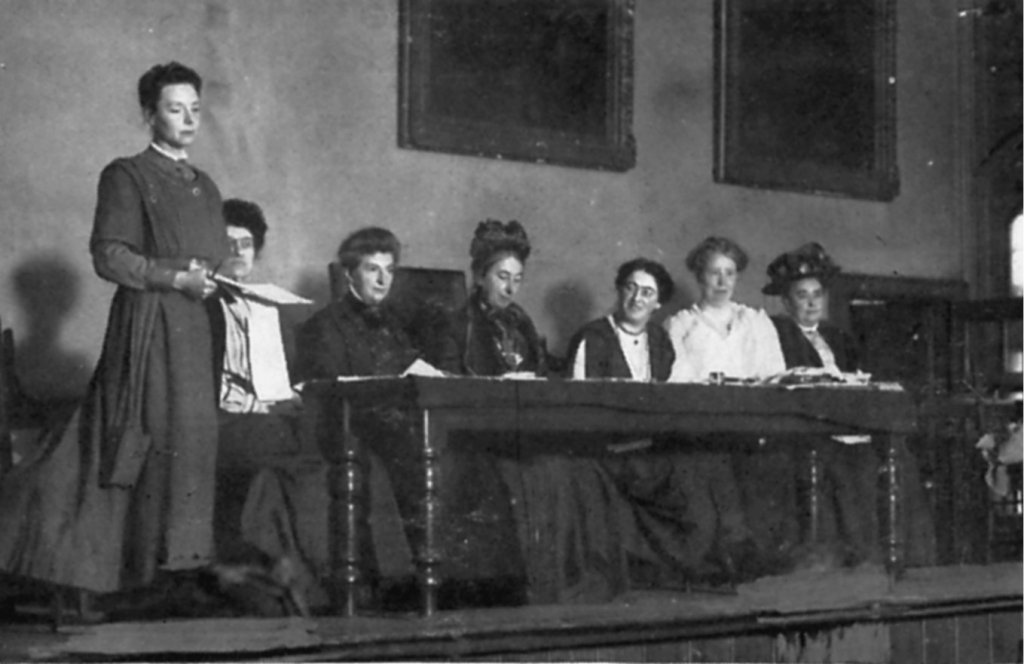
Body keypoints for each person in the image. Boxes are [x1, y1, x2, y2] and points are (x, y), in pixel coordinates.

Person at [0, 62, 229, 601]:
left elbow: (213, 255)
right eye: (176, 109)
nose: (189, 119)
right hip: (149, 326)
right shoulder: (126, 175)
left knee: (193, 443)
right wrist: (174, 277)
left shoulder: (206, 185)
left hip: (195, 326)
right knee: (148, 437)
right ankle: (134, 576)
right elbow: (109, 255)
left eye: (196, 109)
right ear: (150, 115)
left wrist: (215, 281)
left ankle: (181, 573)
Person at [240, 227, 420, 612]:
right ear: (349, 274)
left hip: (394, 427)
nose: (383, 279)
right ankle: (391, 584)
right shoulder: (324, 327)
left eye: (389, 270)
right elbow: (330, 397)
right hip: (344, 432)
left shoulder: (396, 323)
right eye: (372, 269)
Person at [764, 242, 935, 567]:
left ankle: (911, 559)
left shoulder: (837, 335)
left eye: (817, 294)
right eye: (802, 296)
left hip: (851, 425)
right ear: (787, 302)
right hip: (812, 430)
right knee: (850, 469)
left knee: (902, 462)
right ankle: (860, 559)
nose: (812, 302)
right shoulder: (778, 335)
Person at [553, 258, 714, 598]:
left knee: (696, 473)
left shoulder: (660, 340)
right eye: (630, 288)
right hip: (603, 450)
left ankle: (677, 572)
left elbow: (676, 394)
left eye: (647, 292)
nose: (637, 298)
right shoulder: (592, 338)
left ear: (657, 303)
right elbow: (576, 407)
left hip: (650, 446)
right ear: (619, 290)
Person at [420, 219, 544, 605]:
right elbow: (447, 386)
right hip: (469, 434)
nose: (510, 288)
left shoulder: (521, 322)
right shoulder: (455, 325)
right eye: (501, 277)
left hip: (519, 427)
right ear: (479, 276)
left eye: (517, 279)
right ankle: (496, 584)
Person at [662, 236, 790, 581]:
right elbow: (678, 382)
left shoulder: (756, 322)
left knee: (762, 466)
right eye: (713, 273)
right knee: (712, 460)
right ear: (699, 276)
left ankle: (755, 552)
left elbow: (774, 375)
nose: (721, 282)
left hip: (754, 424)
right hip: (702, 424)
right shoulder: (681, 326)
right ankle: (726, 554)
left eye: (729, 273)